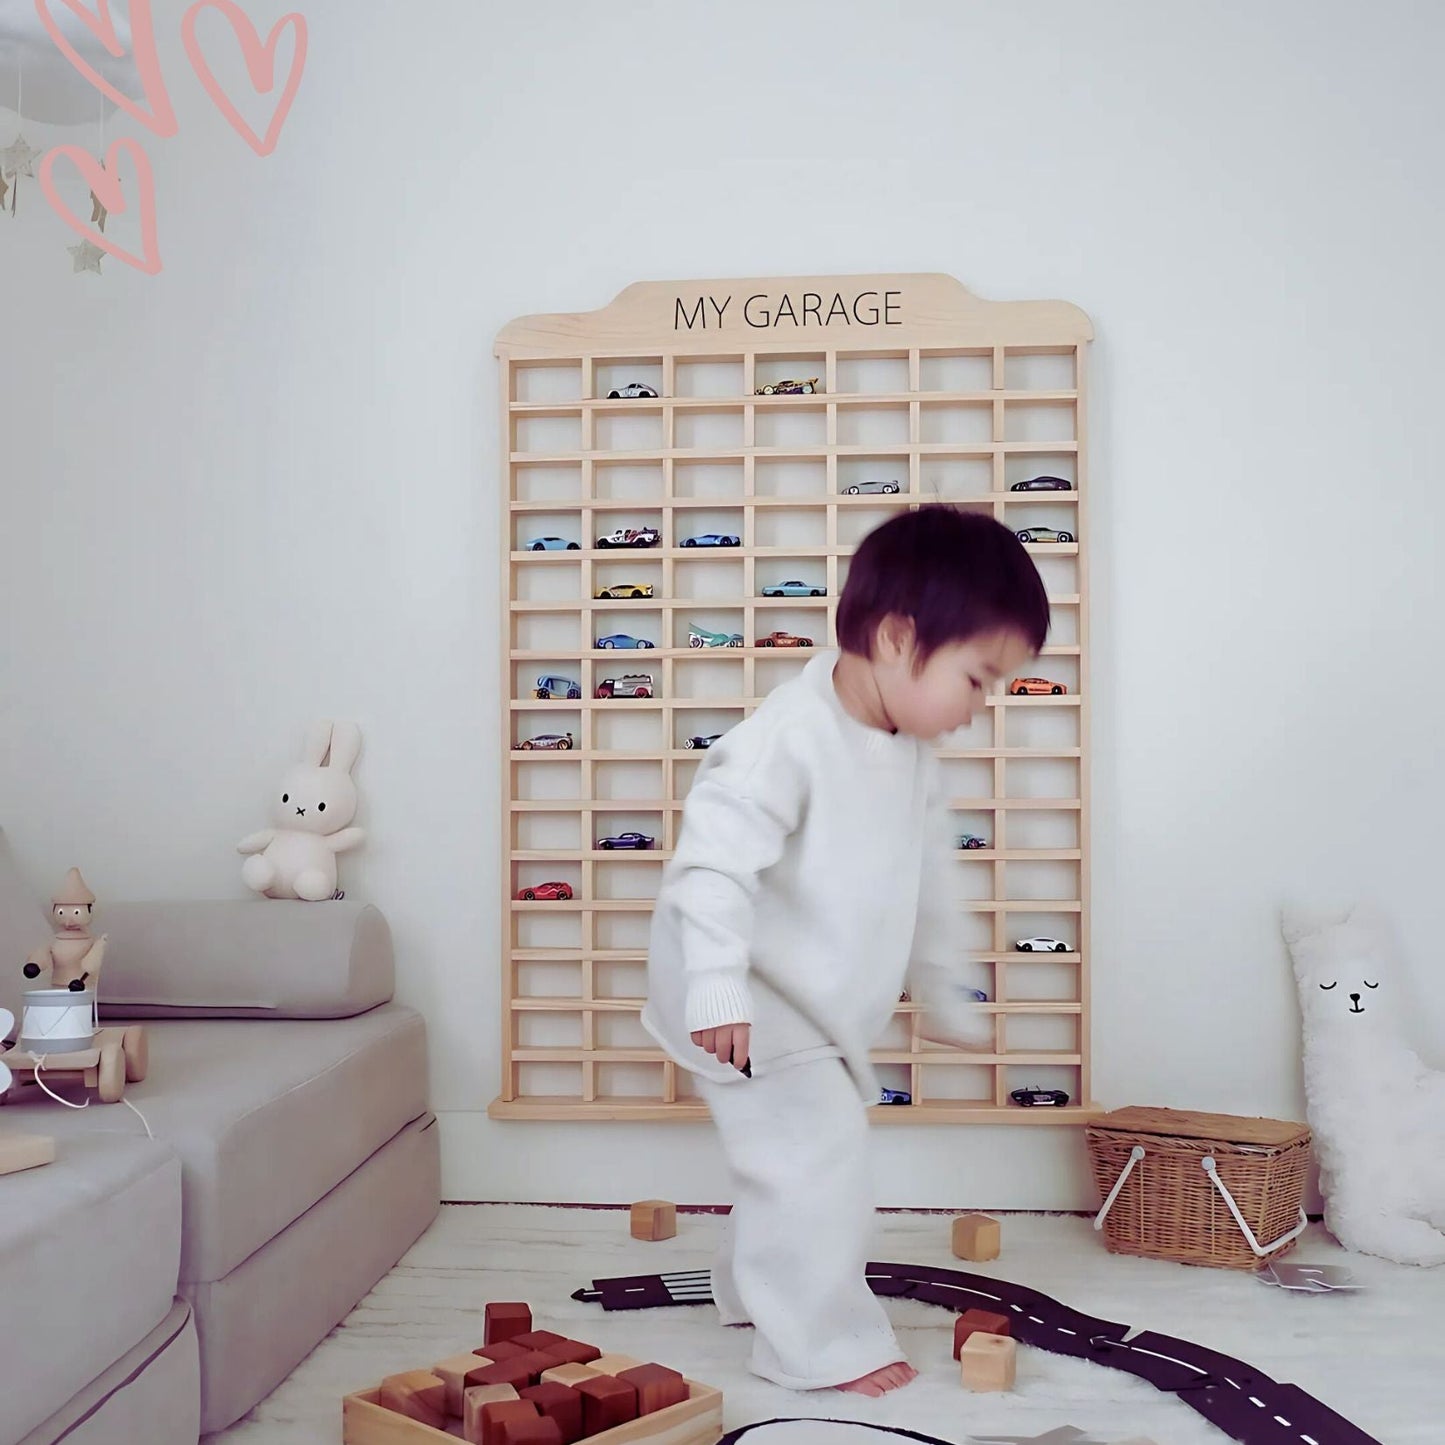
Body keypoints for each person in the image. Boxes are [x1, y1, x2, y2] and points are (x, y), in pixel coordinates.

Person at [641, 505, 1050, 1397]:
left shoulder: (903, 745)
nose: (982, 708)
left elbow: (927, 877)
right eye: (979, 680)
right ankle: (816, 1343)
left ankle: (753, 1289)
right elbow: (706, 869)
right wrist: (717, 987)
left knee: (789, 1156)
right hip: (738, 985)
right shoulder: (784, 740)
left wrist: (942, 990)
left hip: (801, 994)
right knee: (818, 1157)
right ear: (899, 637)